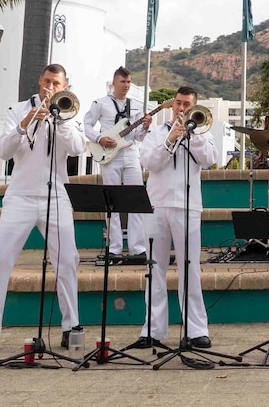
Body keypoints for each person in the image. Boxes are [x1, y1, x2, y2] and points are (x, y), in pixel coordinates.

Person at [0, 64, 84, 356]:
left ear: (65, 86)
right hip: (20, 196)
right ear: (39, 80)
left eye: (57, 83)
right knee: (0, 260)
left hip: (56, 195)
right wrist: (26, 122)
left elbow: (79, 148)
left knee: (67, 261)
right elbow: (4, 152)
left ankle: (71, 328)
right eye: (47, 81)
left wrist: (62, 121)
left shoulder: (70, 113)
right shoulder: (17, 109)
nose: (51, 87)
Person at [135, 86, 218, 349]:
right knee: (153, 269)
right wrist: (171, 138)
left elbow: (211, 159)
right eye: (178, 104)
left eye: (186, 105)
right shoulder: (156, 132)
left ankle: (196, 330)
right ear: (173, 105)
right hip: (155, 205)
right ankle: (152, 330)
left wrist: (193, 135)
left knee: (190, 268)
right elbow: (148, 162)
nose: (181, 109)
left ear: (194, 106)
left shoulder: (203, 132)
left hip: (187, 207)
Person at [82, 65, 154, 263]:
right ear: (113, 83)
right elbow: (87, 124)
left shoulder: (137, 105)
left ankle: (137, 248)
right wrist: (99, 138)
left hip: (130, 153)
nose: (126, 85)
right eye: (122, 82)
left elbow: (138, 136)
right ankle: (113, 248)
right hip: (109, 154)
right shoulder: (100, 103)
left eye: (129, 82)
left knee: (135, 199)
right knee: (111, 200)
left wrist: (145, 127)